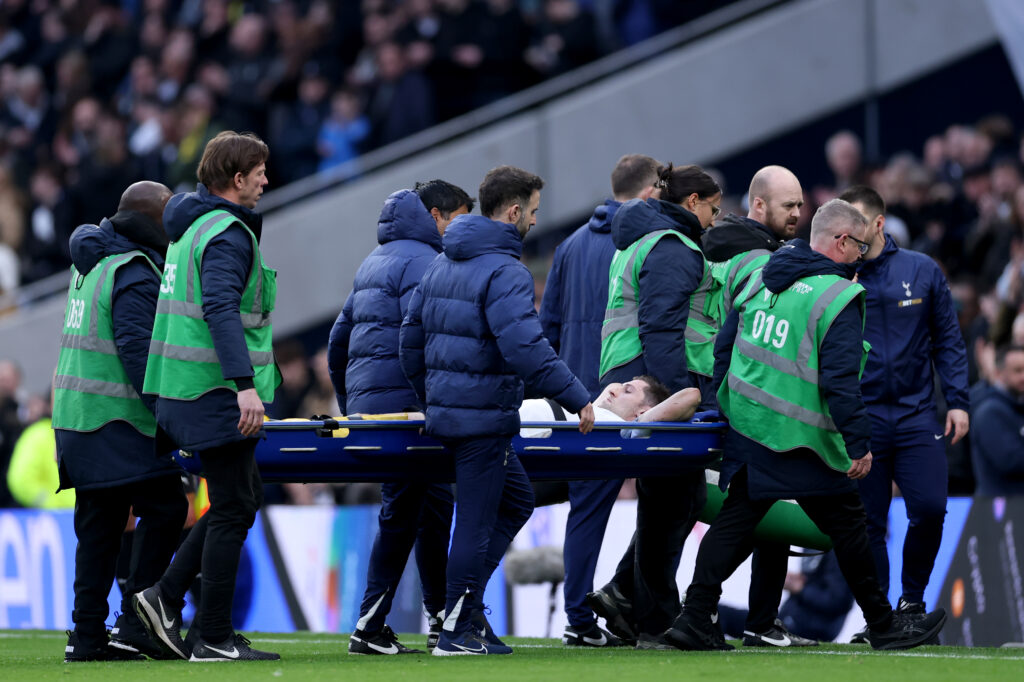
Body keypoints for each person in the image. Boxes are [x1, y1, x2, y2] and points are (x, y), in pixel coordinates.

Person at [664, 199, 946, 652]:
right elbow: (840, 382)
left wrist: (729, 402)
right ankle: (883, 624)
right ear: (839, 242)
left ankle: (695, 615)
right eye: (860, 246)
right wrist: (858, 444)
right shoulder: (838, 297)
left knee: (737, 521)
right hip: (800, 439)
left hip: (749, 424)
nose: (863, 257)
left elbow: (724, 346)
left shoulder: (762, 277)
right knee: (850, 527)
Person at [400, 165, 594, 655]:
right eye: (531, 211)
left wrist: (433, 395)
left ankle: (461, 610)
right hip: (482, 418)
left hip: (455, 414)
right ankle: (457, 632)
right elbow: (526, 348)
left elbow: (409, 340)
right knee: (476, 521)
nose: (532, 220)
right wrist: (576, 397)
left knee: (518, 501)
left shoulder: (442, 263)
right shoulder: (506, 270)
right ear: (512, 211)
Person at [134, 131, 282, 662]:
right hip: (212, 391)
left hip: (182, 390)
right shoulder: (225, 233)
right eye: (259, 171)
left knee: (239, 499)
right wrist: (245, 387)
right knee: (235, 504)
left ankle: (167, 599)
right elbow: (221, 311)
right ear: (235, 178)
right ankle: (211, 634)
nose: (266, 179)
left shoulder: (190, 232)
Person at [329, 179, 473, 656]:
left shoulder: (373, 262)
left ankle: (430, 618)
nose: (463, 227)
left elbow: (337, 341)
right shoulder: (427, 262)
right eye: (459, 217)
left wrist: (352, 404)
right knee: (410, 512)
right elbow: (427, 338)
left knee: (425, 508)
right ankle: (376, 626)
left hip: (377, 410)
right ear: (436, 216)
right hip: (412, 409)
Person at [52, 181, 189, 662]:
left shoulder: (89, 264)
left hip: (77, 417)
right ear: (149, 220)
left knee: (99, 526)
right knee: (168, 505)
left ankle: (87, 638)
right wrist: (173, 419)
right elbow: (139, 356)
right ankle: (137, 621)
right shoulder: (133, 270)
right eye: (168, 213)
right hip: (115, 420)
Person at [589, 163, 721, 649]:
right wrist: (678, 396)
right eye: (712, 206)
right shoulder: (672, 248)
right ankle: (659, 614)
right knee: (676, 499)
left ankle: (628, 600)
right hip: (650, 378)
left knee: (673, 499)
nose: (715, 216)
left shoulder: (643, 242)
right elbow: (663, 327)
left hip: (630, 370)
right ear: (692, 203)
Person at [537, 153, 661, 647]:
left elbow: (546, 328)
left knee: (570, 508)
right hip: (622, 402)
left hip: (572, 399)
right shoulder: (648, 244)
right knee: (603, 511)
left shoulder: (568, 247)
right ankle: (582, 619)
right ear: (651, 191)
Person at [839, 185, 969, 630]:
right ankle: (879, 619)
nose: (847, 233)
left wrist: (958, 401)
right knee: (868, 525)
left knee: (931, 508)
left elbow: (948, 339)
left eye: (855, 222)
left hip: (916, 415)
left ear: (878, 223)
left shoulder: (921, 269)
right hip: (862, 417)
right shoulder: (834, 276)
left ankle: (911, 602)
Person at [701, 165, 816, 648]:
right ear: (759, 204)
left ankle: (757, 620)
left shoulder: (726, 248)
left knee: (758, 506)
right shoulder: (754, 259)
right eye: (788, 205)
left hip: (730, 395)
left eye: (800, 204)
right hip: (735, 400)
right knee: (729, 512)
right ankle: (686, 609)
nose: (798, 213)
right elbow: (738, 334)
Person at [970, 344, 1024, 496]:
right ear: (999, 373)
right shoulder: (989, 412)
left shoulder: (1018, 407)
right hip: (998, 511)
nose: (1023, 377)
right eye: (1017, 371)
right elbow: (1010, 460)